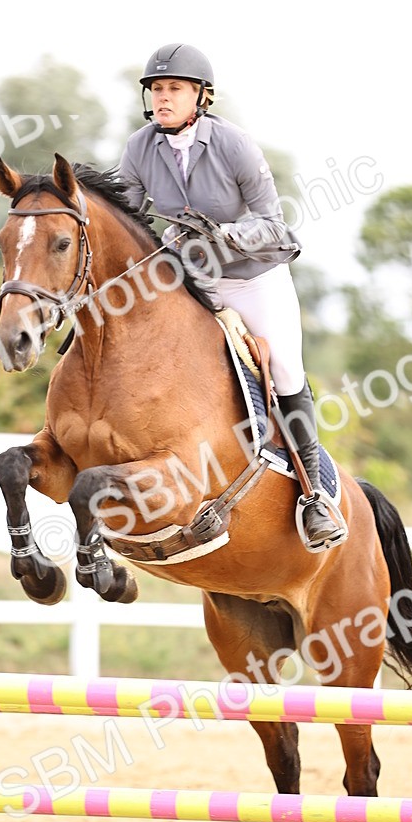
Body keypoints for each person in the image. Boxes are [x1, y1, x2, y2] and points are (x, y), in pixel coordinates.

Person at [119, 42, 346, 551]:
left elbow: (274, 224)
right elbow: (128, 219)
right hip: (191, 280)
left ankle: (313, 498)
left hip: (253, 278)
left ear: (201, 95)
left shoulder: (234, 144)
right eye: (157, 89)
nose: (162, 98)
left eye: (174, 88)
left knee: (284, 369)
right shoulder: (139, 147)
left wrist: (223, 237)